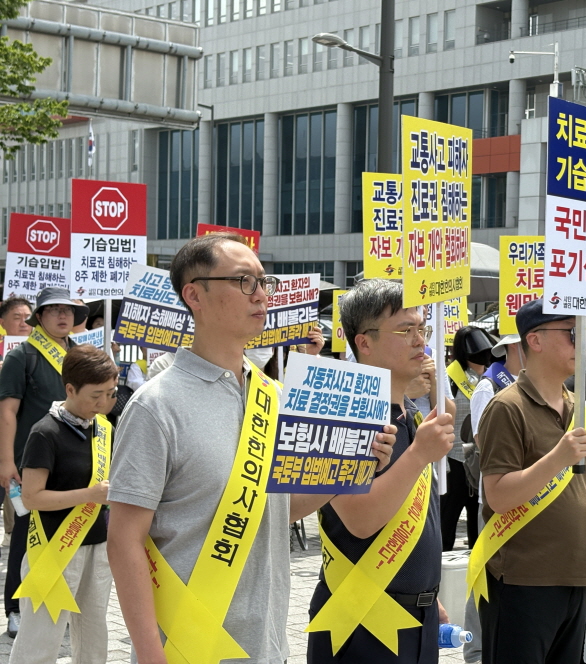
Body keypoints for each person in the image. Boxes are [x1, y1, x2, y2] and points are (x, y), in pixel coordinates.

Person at [106, 234, 395, 663]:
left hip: (267, 643)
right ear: (194, 295)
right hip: (187, 644)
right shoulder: (156, 405)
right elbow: (124, 538)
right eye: (244, 281)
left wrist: (355, 466)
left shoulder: (274, 396)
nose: (261, 295)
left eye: (264, 281)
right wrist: (149, 650)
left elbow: (279, 508)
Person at [306, 278, 454, 663]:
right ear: (364, 342)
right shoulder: (342, 412)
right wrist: (419, 455)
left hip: (415, 616)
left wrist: (428, 595)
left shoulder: (409, 413)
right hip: (362, 620)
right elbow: (360, 519)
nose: (420, 341)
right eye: (405, 330)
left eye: (422, 329)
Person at [475, 299, 586, 664]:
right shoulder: (508, 406)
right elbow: (498, 494)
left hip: (574, 576)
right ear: (534, 341)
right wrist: (558, 458)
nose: (581, 343)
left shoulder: (577, 405)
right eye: (571, 333)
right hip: (524, 580)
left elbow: (582, 496)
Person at [9, 345, 118, 663]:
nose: (103, 403)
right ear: (70, 389)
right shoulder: (45, 433)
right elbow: (31, 498)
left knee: (94, 630)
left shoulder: (104, 429)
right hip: (54, 548)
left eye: (110, 393)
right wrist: (89, 495)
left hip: (97, 546)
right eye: (95, 395)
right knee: (42, 635)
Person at [0, 287, 87, 638]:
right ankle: (15, 608)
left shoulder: (79, 355)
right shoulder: (24, 355)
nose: (63, 316)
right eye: (54, 311)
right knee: (25, 533)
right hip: (29, 462)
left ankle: (55, 603)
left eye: (68, 311)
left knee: (66, 532)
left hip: (73, 461)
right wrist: (7, 459)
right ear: (40, 317)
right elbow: (8, 410)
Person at [462, 332, 522, 664]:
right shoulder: (490, 386)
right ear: (516, 347)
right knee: (487, 569)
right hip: (498, 495)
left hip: (530, 495)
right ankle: (475, 649)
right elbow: (485, 443)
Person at [442, 325, 495, 551]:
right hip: (454, 460)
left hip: (479, 460)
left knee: (477, 517)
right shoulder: (449, 377)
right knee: (447, 518)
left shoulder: (489, 378)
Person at [0, 297, 32, 546]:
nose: (23, 323)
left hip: (22, 444)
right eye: (16, 317)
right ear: (3, 322)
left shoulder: (36, 353)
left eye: (26, 317)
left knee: (23, 508)